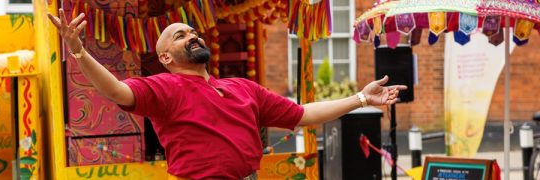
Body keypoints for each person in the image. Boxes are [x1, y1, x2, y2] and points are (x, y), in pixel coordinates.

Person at [48, 11, 407, 179]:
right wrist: (79, 51)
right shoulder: (163, 86)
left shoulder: (241, 88)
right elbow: (115, 90)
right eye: (179, 35)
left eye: (193, 32)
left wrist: (360, 98)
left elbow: (302, 114)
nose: (192, 36)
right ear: (165, 57)